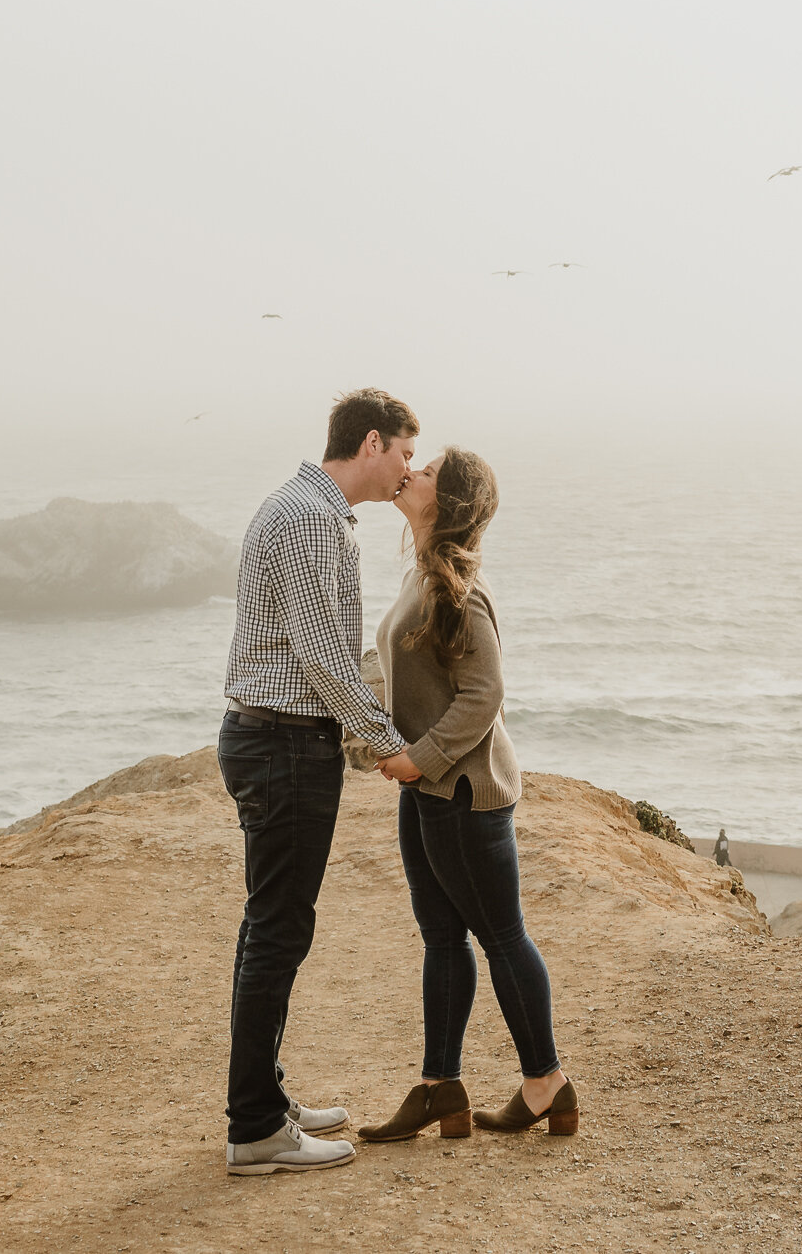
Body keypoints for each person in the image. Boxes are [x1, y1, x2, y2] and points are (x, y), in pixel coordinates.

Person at [221, 389, 424, 1177]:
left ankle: (263, 1103)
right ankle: (254, 1129)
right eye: (406, 452)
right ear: (372, 443)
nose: (409, 468)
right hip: (283, 745)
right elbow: (321, 656)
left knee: (269, 929)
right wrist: (386, 746)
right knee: (276, 933)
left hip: (274, 739)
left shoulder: (308, 508)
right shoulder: (309, 518)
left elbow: (322, 649)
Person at [356, 447, 578, 1145]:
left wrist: (419, 759)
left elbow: (485, 694)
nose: (412, 473)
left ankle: (547, 1083)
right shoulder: (423, 574)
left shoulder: (458, 589)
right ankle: (439, 1085)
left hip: (462, 792)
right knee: (442, 937)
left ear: (444, 501)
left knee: (501, 935)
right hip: (430, 789)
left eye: (427, 472)